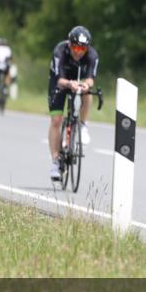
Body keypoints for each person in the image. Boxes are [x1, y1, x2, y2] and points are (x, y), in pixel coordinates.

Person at [47, 26, 99, 180]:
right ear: (69, 44)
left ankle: (82, 125)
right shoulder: (60, 51)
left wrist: (86, 85)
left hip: (78, 80)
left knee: (87, 92)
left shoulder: (93, 55)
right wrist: (70, 84)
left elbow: (90, 78)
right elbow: (59, 79)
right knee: (56, 120)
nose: (78, 51)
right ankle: (55, 162)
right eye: (75, 47)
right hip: (60, 81)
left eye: (82, 49)